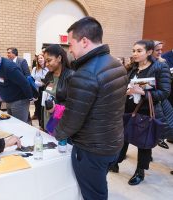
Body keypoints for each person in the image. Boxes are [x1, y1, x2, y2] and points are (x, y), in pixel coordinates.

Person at [54, 17, 128, 200]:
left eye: (70, 44)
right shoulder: (116, 64)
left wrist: (57, 134)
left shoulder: (85, 73)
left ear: (84, 41)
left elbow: (73, 118)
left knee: (94, 195)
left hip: (92, 149)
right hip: (113, 141)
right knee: (99, 186)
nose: (69, 50)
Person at [111, 40, 171, 185]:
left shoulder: (159, 67)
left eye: (139, 51)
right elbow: (125, 84)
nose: (134, 54)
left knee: (143, 143)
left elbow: (164, 92)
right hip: (127, 108)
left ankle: (140, 172)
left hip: (146, 110)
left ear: (149, 52)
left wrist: (143, 92)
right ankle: (116, 162)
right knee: (122, 137)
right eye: (133, 51)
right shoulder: (132, 67)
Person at [0, 48, 33, 123]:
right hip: (9, 101)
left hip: (19, 102)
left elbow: (24, 83)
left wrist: (30, 98)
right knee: (13, 124)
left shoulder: (9, 67)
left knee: (20, 126)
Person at [41, 45, 74, 132]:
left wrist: (56, 107)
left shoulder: (70, 76)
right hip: (47, 119)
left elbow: (74, 104)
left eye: (49, 60)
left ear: (59, 58)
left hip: (61, 124)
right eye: (45, 61)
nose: (46, 64)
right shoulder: (49, 75)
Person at [31, 53, 48, 124]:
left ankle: (44, 123)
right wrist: (40, 82)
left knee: (44, 107)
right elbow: (32, 79)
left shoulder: (47, 68)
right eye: (38, 58)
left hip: (45, 90)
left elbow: (47, 81)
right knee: (37, 107)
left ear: (44, 59)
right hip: (36, 90)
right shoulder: (35, 69)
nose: (40, 60)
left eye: (41, 58)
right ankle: (40, 124)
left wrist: (39, 82)